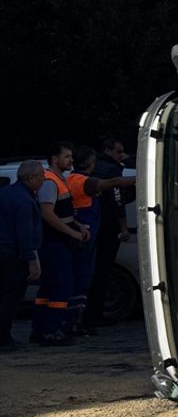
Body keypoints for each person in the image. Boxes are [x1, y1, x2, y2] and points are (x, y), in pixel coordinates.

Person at [66, 145, 135, 336]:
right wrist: (139, 180)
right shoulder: (83, 181)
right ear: (90, 162)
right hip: (84, 238)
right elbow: (114, 185)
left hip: (85, 235)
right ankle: (77, 322)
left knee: (84, 280)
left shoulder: (73, 179)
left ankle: (77, 320)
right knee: (83, 281)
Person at [32, 141, 90, 345]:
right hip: (54, 242)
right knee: (59, 286)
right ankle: (52, 331)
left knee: (49, 288)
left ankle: (41, 330)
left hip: (56, 241)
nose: (71, 160)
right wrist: (73, 233)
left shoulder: (58, 180)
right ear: (55, 159)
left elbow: (63, 213)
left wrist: (78, 226)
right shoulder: (50, 182)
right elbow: (48, 214)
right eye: (67, 156)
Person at [85, 137, 131, 327]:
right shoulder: (112, 170)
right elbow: (117, 200)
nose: (122, 155)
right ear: (108, 150)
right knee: (102, 272)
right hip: (107, 227)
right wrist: (123, 226)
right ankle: (94, 314)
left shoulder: (95, 167)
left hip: (93, 225)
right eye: (118, 151)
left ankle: (88, 313)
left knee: (92, 271)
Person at [0, 160, 44, 352]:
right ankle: (3, 338)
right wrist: (32, 261)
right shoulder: (24, 200)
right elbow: (24, 234)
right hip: (14, 254)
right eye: (41, 175)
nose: (43, 179)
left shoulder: (5, 193)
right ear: (31, 177)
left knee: (3, 295)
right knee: (11, 297)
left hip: (4, 250)